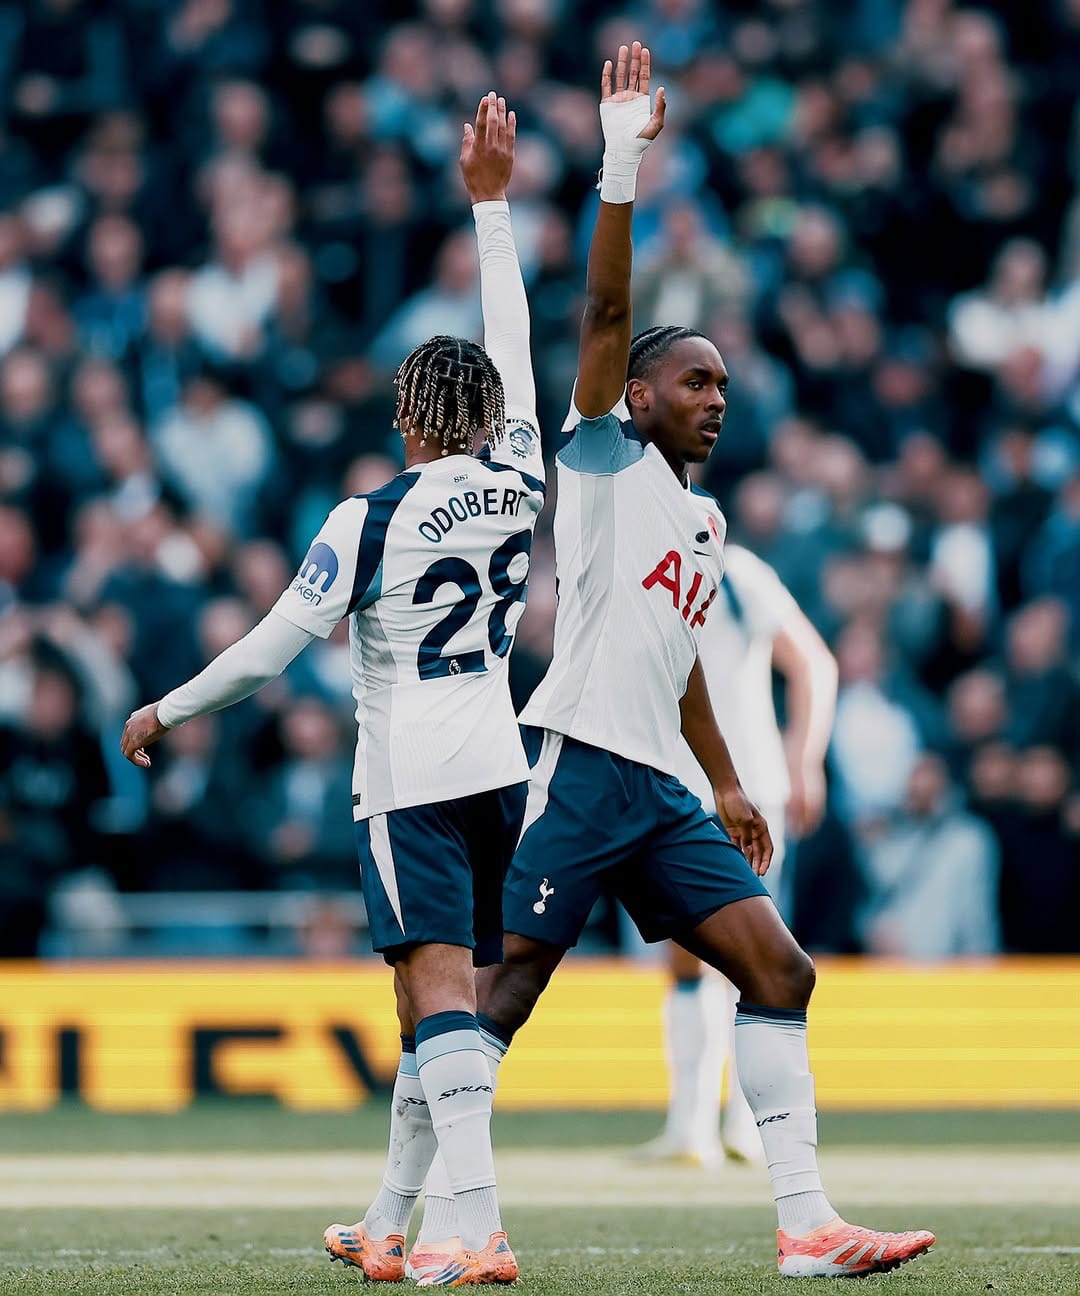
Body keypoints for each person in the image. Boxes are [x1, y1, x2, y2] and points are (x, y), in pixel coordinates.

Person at [414, 43, 934, 1281]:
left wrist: (733, 782)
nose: (718, 395)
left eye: (725, 381)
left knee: (780, 969)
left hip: (664, 786)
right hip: (586, 764)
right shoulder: (600, 460)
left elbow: (690, 659)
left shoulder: (702, 523)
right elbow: (600, 313)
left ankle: (805, 1226)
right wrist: (620, 162)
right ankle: (429, 1221)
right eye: (694, 378)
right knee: (503, 999)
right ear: (634, 393)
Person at [121, 93, 542, 1288]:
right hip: (501, 769)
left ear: (408, 415)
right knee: (431, 1017)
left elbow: (265, 652)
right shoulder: (521, 478)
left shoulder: (372, 517)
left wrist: (167, 708)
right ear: (491, 420)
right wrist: (493, 209)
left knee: (435, 997)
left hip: (408, 776)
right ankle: (390, 1221)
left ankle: (482, 1231)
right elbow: (513, 346)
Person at [637, 545, 838, 1167]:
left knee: (715, 956)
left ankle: (709, 1126)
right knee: (729, 956)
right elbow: (813, 662)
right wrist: (801, 758)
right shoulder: (727, 565)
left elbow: (811, 662)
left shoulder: (724, 565)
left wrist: (803, 757)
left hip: (719, 780)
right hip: (718, 778)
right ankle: (722, 1127)